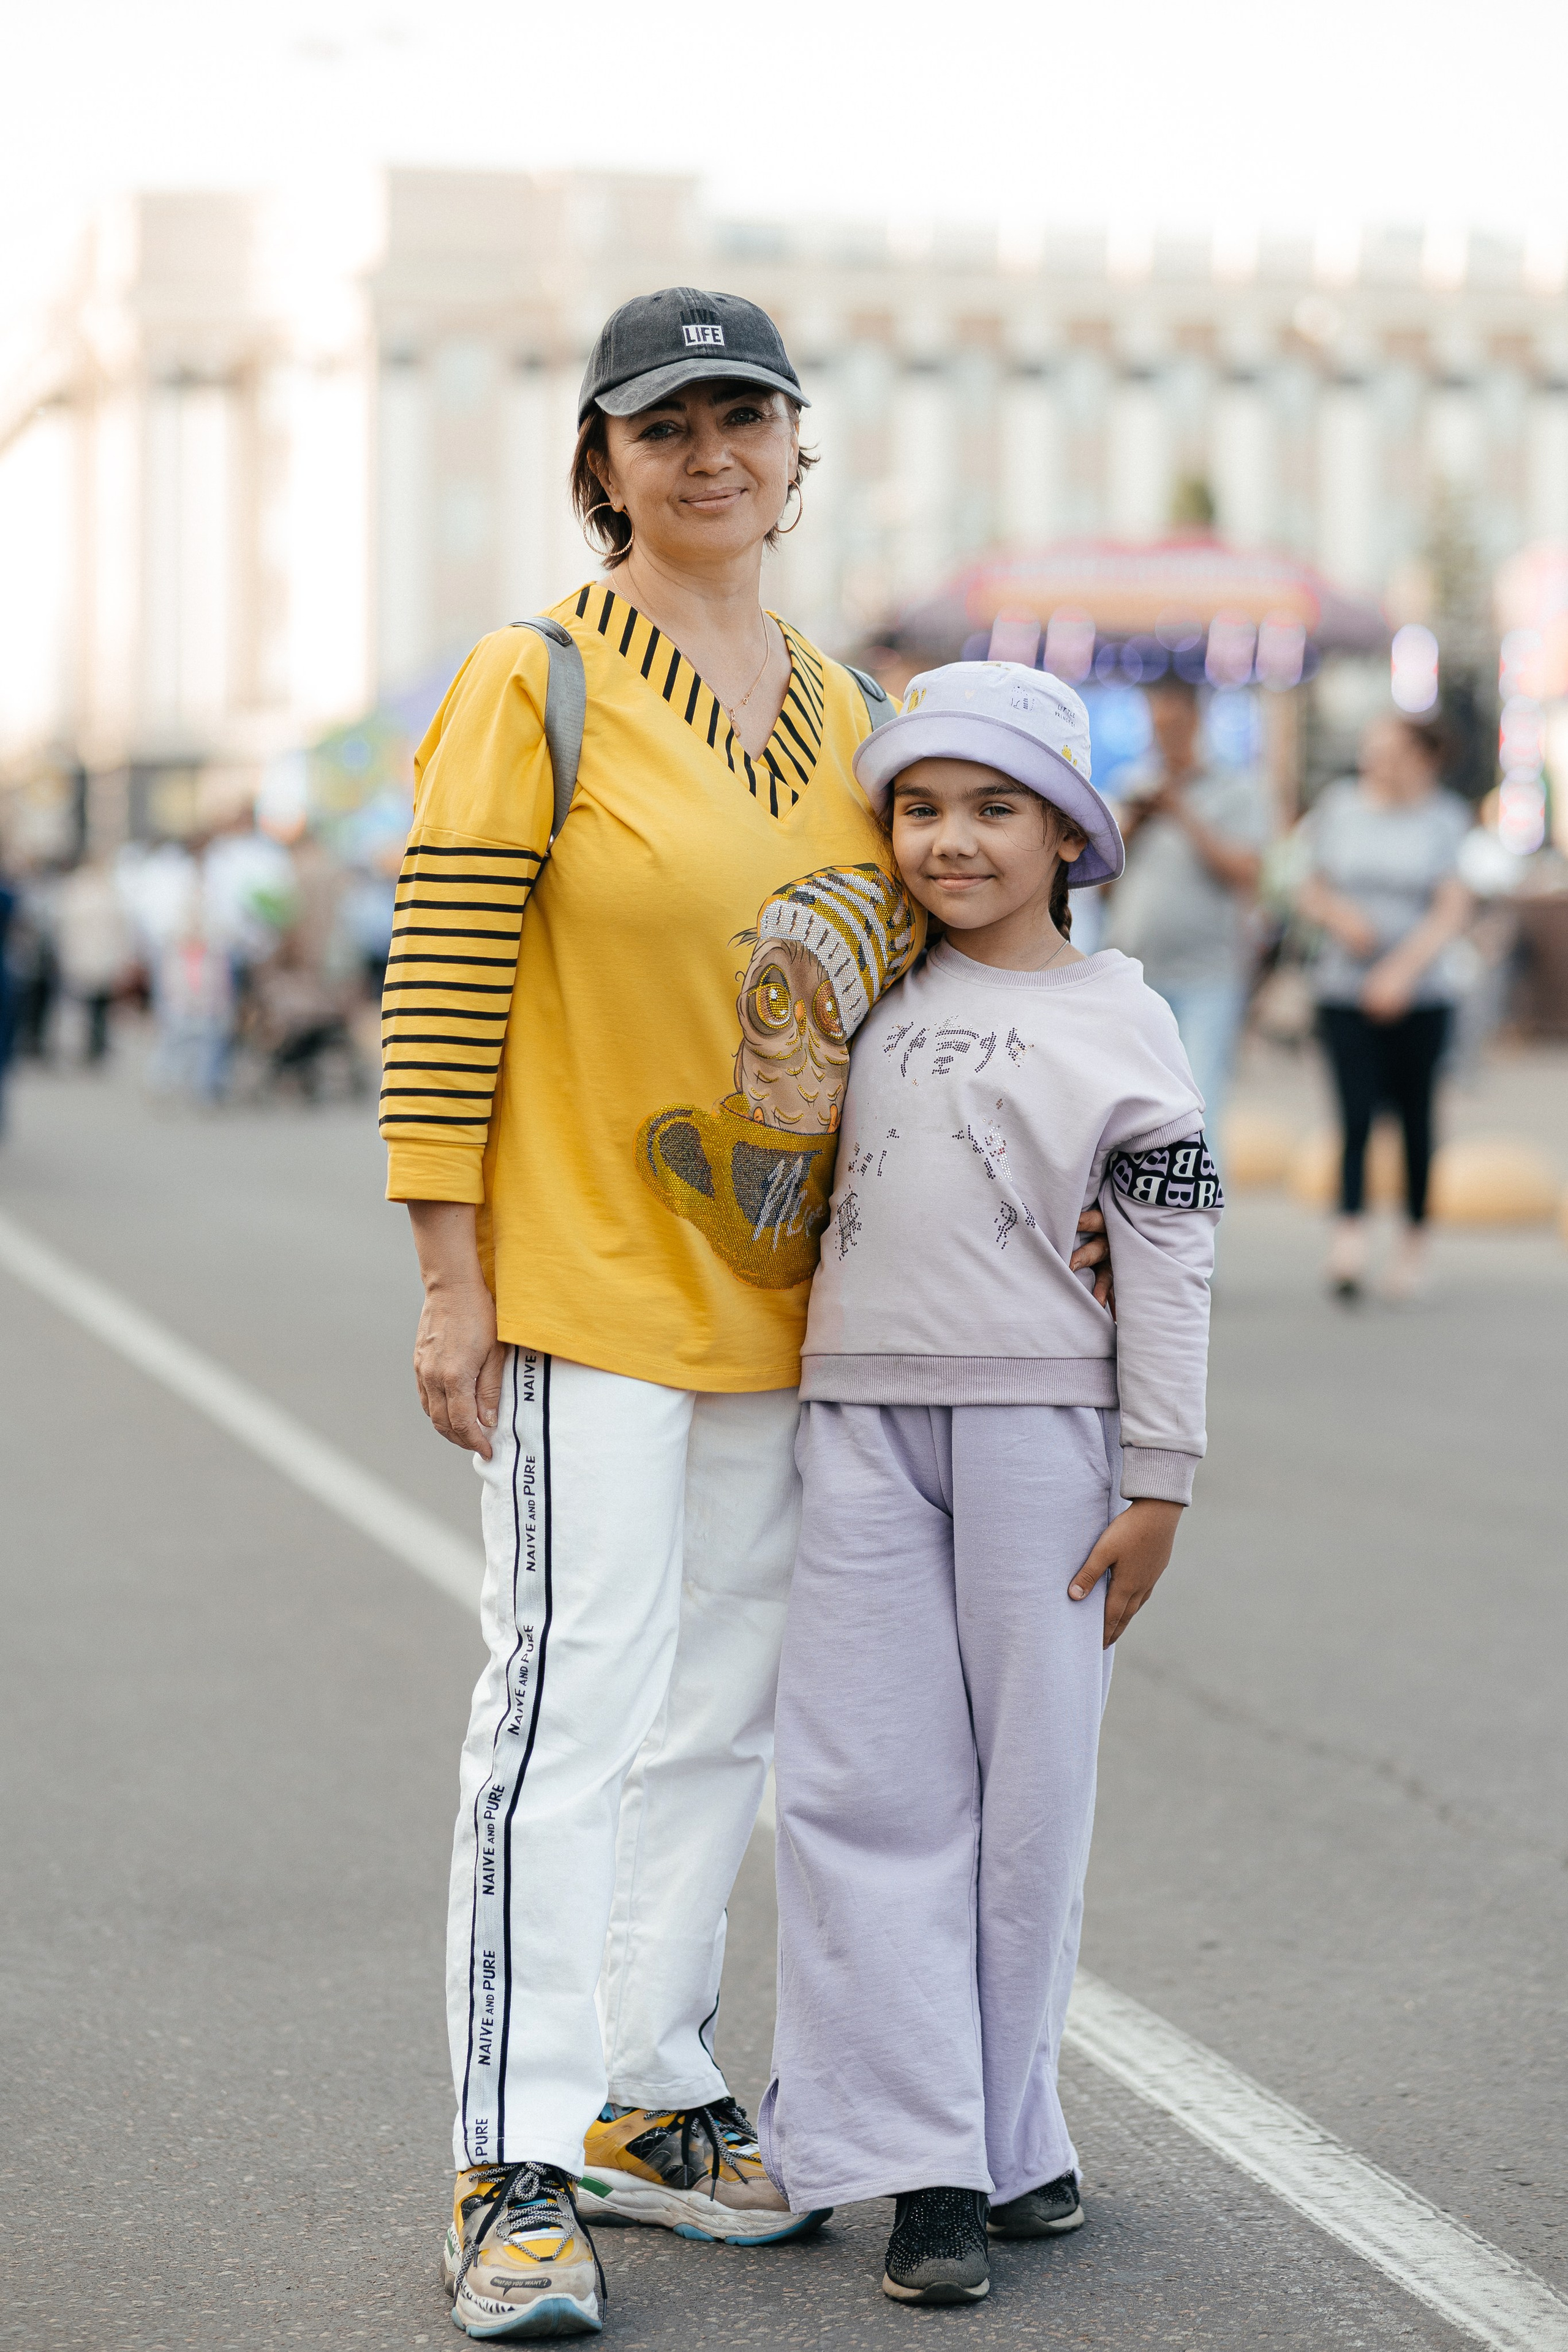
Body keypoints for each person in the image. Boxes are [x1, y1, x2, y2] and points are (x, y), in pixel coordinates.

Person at [382, 290, 1111, 2343]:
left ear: (800, 453)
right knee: (567, 1707)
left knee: (721, 1718)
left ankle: (648, 2091)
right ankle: (507, 2162)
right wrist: (449, 1272)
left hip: (802, 1310)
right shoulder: (529, 683)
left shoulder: (856, 709)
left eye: (744, 417)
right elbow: (440, 987)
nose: (708, 452)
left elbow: (934, 984)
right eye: (663, 423)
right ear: (601, 462)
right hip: (586, 1283)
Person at [761, 663, 1221, 2309]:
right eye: (922, 806)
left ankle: (1010, 2131)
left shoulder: (1126, 1018)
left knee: (1028, 1803)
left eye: (994, 807)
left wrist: (1159, 1472)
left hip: (1050, 1436)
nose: (951, 839)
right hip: (861, 1430)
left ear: (1066, 834)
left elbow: (1172, 1254)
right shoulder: (858, 994)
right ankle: (924, 2162)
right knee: (865, 1788)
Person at [1296, 713, 1471, 1303]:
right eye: (1373, 748)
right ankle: (1348, 1240)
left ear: (1422, 757)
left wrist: (1400, 973)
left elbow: (1451, 908)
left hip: (1421, 996)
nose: (1378, 759)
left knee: (1417, 1118)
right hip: (1343, 991)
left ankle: (1414, 1242)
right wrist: (1342, 919)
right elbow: (1308, 886)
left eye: (1392, 750)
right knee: (1354, 1116)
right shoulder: (1340, 807)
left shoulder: (1443, 817)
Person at [1104, 672, 1270, 1137]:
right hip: (1136, 971)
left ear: (1197, 721)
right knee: (1132, 1106)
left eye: (1173, 725)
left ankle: (1204, 1212)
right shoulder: (1133, 783)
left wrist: (1181, 811)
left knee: (1199, 1107)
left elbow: (1247, 873)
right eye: (1156, 726)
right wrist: (1134, 825)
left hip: (1207, 974)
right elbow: (1102, 884)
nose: (1164, 736)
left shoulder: (1236, 789)